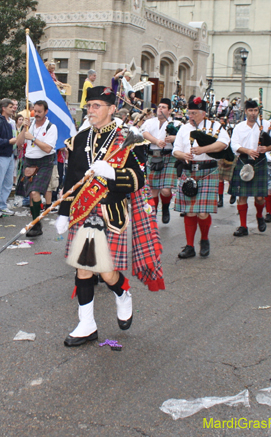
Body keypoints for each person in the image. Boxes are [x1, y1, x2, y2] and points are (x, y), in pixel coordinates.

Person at [54, 86, 164, 347]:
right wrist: (63, 211)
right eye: (88, 106)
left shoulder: (129, 138)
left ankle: (122, 291)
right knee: (83, 270)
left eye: (96, 106)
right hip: (82, 211)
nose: (90, 111)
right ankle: (86, 324)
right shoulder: (80, 139)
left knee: (106, 273)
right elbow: (71, 179)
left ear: (112, 109)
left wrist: (113, 174)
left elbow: (138, 180)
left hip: (109, 212)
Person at [172, 96, 230, 258]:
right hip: (189, 171)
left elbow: (224, 143)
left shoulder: (215, 126)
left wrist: (204, 149)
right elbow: (175, 150)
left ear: (203, 113)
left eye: (194, 113)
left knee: (203, 212)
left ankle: (204, 239)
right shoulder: (184, 128)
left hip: (208, 171)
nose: (191, 116)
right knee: (190, 212)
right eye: (189, 113)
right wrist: (182, 154)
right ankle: (189, 246)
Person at [229, 100, 271, 236]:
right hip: (243, 160)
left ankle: (259, 215)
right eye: (250, 110)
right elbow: (234, 145)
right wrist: (247, 151)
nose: (253, 113)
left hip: (260, 162)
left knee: (259, 198)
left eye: (255, 110)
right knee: (242, 196)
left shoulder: (266, 125)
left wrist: (267, 148)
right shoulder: (239, 127)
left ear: (258, 111)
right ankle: (243, 226)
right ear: (245, 111)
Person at [16, 100, 57, 237]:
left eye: (40, 111)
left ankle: (36, 223)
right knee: (32, 195)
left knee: (35, 192)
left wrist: (32, 138)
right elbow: (19, 144)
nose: (37, 114)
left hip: (45, 162)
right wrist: (23, 129)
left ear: (46, 112)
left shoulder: (51, 127)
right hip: (29, 161)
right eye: (35, 111)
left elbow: (47, 148)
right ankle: (35, 223)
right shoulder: (29, 124)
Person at [141, 98, 180, 224]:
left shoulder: (177, 124)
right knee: (153, 190)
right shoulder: (149, 122)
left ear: (169, 110)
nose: (160, 109)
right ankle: (153, 216)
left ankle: (165, 207)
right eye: (159, 106)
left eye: (163, 107)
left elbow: (184, 137)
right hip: (152, 157)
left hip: (168, 157)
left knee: (165, 190)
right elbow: (144, 133)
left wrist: (175, 137)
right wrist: (156, 141)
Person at [0, 98, 18, 218]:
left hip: (9, 154)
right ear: (3, 108)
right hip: (0, 155)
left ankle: (2, 204)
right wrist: (8, 141)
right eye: (10, 107)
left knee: (8, 182)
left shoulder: (11, 122)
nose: (13, 109)